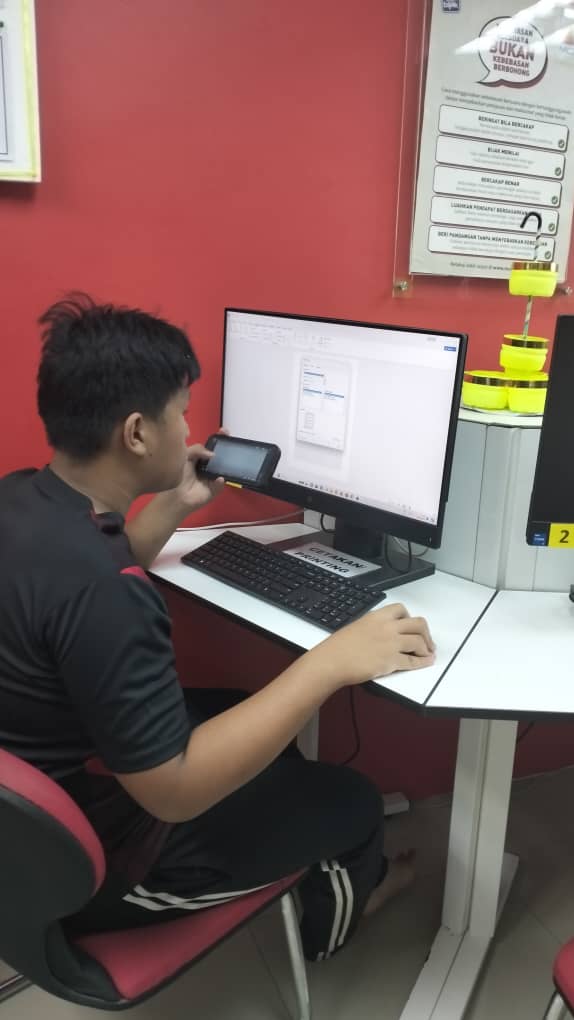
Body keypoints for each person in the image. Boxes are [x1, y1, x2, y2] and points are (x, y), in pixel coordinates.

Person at [0, 294, 435, 961]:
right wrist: (329, 663)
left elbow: (90, 575)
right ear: (138, 433)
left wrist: (176, 501)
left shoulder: (24, 497)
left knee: (241, 712)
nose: (189, 430)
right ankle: (341, 915)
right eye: (181, 412)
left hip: (36, 812)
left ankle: (305, 857)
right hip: (94, 866)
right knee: (354, 801)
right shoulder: (109, 595)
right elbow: (174, 793)